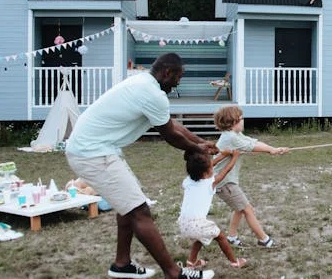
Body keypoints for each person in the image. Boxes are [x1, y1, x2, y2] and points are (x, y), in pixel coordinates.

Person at [65, 52, 218, 279]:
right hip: (92, 153)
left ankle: (122, 264)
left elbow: (172, 124)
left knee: (129, 206)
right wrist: (198, 150)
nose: (178, 82)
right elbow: (171, 136)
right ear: (167, 72)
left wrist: (198, 141)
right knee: (139, 210)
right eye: (178, 76)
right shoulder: (151, 93)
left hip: (98, 150)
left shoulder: (143, 84)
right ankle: (174, 273)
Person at [212, 105, 289, 248]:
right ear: (233, 121)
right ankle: (264, 240)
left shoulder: (235, 135)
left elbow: (253, 142)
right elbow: (252, 148)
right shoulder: (230, 138)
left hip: (227, 181)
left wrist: (274, 149)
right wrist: (272, 150)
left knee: (240, 209)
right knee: (247, 210)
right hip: (224, 182)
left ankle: (232, 237)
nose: (243, 121)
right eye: (241, 119)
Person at [178, 150, 248, 270]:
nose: (212, 168)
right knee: (220, 236)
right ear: (205, 174)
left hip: (183, 223)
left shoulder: (188, 180)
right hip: (197, 224)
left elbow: (210, 164)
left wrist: (224, 155)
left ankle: (191, 263)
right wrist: (234, 157)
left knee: (200, 238)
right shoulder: (210, 182)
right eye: (211, 169)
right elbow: (225, 171)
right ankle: (234, 262)